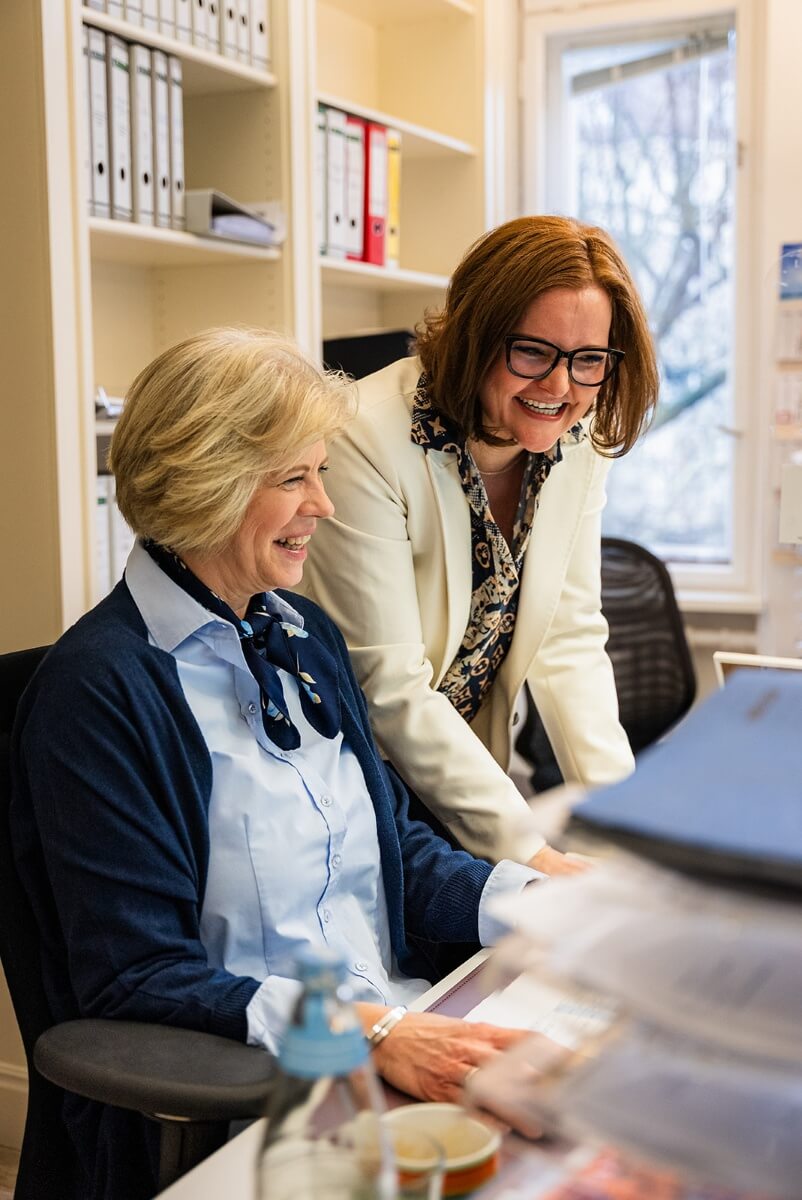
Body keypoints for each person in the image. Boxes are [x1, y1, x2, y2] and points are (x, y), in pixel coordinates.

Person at [11, 328, 547, 1200]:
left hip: (396, 1028)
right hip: (268, 1083)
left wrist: (550, 910)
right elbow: (139, 976)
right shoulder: (99, 692)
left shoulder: (301, 634)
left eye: (322, 472)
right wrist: (367, 1035)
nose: (325, 506)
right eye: (294, 478)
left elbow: (395, 853)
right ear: (204, 485)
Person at [303, 215, 660, 875]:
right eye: (532, 352)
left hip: (473, 773)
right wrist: (530, 851)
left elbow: (569, 634)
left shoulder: (577, 443)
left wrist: (629, 828)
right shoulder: (365, 440)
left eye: (589, 361)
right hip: (362, 781)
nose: (559, 387)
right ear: (477, 335)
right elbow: (390, 685)